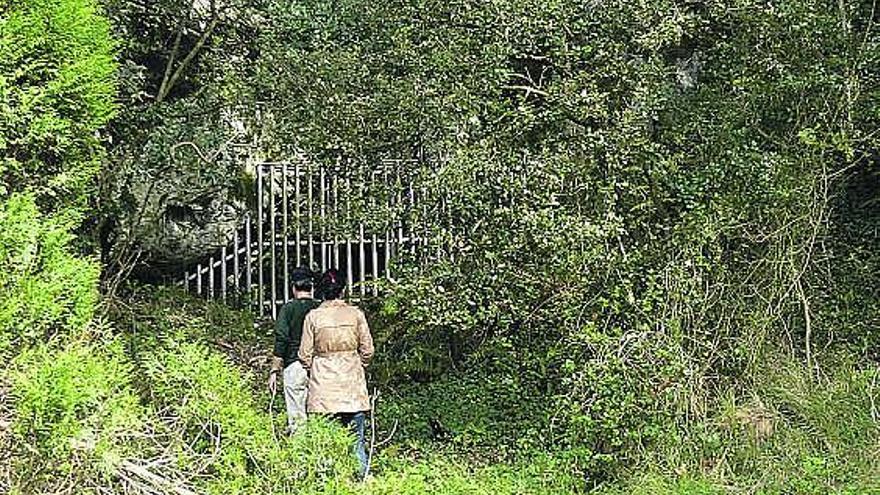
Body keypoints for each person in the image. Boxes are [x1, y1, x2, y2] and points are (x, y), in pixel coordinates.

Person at [298, 269, 374, 478]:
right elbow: (367, 350)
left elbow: (304, 354)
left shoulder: (313, 317)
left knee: (325, 442)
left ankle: (329, 482)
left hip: (323, 388)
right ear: (342, 290)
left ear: (321, 290)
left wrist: (314, 368)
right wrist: (358, 365)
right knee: (356, 441)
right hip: (352, 386)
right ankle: (361, 482)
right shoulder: (356, 314)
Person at [269, 266, 321, 434]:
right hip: (320, 366)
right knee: (320, 414)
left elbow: (281, 340)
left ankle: (300, 454)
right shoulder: (320, 309)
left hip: (294, 364)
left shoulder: (287, 309)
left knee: (297, 417)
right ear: (312, 287)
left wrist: (274, 370)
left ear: (293, 287)